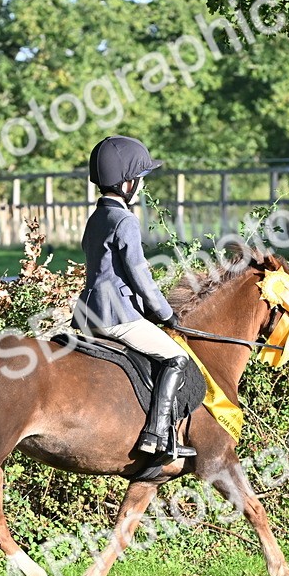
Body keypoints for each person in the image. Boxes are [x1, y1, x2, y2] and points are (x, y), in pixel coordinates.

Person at [72, 135, 196, 459]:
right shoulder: (125, 220)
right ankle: (156, 435)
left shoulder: (96, 218)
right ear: (127, 183)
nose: (141, 185)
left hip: (87, 313)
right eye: (139, 178)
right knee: (176, 357)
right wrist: (165, 313)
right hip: (116, 316)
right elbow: (140, 275)